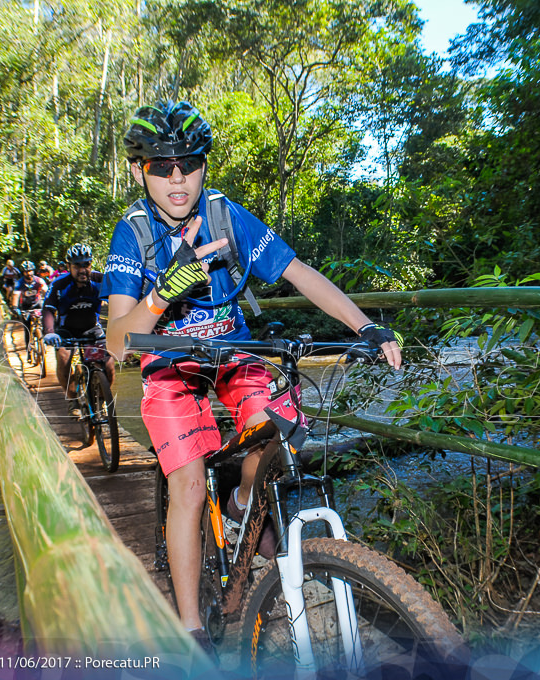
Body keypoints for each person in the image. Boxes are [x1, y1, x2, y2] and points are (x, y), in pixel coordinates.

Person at [103, 101, 402, 645]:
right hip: (170, 364)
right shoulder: (133, 234)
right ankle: (191, 625)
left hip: (233, 351)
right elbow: (117, 340)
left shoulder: (225, 215)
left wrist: (365, 327)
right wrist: (165, 290)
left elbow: (298, 273)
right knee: (189, 486)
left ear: (203, 165)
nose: (177, 178)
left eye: (189, 163)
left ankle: (244, 503)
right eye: (161, 166)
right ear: (137, 170)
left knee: (282, 432)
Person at [42, 244, 113, 414]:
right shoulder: (60, 284)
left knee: (109, 366)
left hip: (92, 330)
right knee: (64, 359)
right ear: (69, 267)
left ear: (91, 264)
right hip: (66, 331)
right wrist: (50, 332)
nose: (83, 270)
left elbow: (119, 300)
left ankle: (99, 401)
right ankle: (72, 398)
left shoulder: (100, 280)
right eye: (77, 266)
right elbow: (48, 309)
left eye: (86, 264)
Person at [10, 260, 49, 349]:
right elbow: (16, 295)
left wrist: (49, 300)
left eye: (30, 271)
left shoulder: (39, 280)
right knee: (27, 328)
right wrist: (15, 307)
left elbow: (46, 290)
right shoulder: (19, 283)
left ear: (33, 271)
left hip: (37, 304)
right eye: (26, 271)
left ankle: (44, 340)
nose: (29, 273)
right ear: (23, 272)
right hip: (25, 306)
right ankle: (28, 348)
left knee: (45, 321)